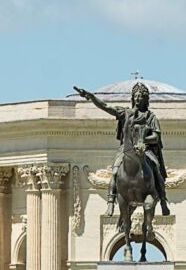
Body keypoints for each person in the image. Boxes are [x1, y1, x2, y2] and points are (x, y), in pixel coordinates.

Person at [73, 82, 170, 216]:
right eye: (135, 96)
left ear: (145, 99)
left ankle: (163, 201)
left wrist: (143, 141)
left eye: (140, 96)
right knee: (115, 170)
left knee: (156, 170)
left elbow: (156, 137)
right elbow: (106, 107)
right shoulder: (125, 113)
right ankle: (111, 202)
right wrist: (91, 97)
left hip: (145, 150)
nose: (137, 98)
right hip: (126, 149)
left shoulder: (150, 117)